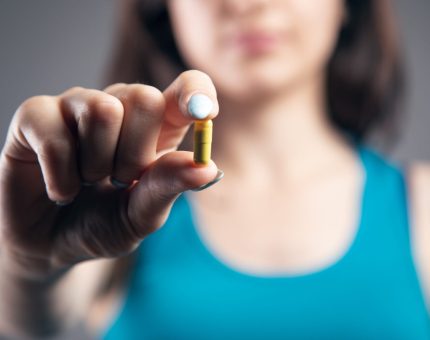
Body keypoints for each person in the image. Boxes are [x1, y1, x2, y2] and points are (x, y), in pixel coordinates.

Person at [0, 0, 429, 338]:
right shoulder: (116, 194)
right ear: (166, 9)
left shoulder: (420, 208)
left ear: (347, 4)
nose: (245, 3)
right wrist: (32, 263)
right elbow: (29, 319)